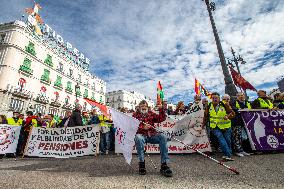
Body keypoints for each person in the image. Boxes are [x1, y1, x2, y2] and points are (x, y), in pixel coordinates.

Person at [133, 100, 172, 177]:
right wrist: (142, 127)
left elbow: (161, 119)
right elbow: (132, 127)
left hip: (152, 135)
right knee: (138, 138)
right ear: (139, 107)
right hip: (141, 135)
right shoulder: (135, 115)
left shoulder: (151, 113)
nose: (143, 107)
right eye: (142, 106)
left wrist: (161, 109)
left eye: (145, 106)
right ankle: (142, 164)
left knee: (163, 137)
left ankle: (164, 165)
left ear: (147, 107)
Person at [204, 92, 235, 161]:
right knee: (221, 140)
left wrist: (228, 116)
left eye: (216, 98)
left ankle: (228, 154)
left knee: (228, 141)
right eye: (213, 98)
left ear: (219, 98)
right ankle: (228, 155)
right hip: (215, 127)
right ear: (211, 98)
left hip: (226, 126)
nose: (215, 99)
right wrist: (202, 125)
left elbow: (232, 113)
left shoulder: (224, 104)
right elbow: (206, 117)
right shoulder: (209, 106)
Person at [231, 92, 251, 157]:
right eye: (239, 96)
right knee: (237, 137)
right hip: (237, 123)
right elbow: (233, 109)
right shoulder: (234, 103)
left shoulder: (248, 102)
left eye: (242, 95)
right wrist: (241, 110)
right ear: (237, 97)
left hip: (247, 123)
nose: (241, 97)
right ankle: (237, 151)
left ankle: (243, 150)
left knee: (244, 138)